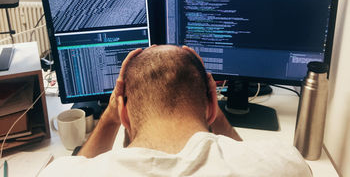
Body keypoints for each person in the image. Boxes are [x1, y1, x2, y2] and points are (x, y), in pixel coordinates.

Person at [40, 45, 312, 177]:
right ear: (212, 107)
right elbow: (247, 157)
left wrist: (110, 117)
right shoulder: (285, 164)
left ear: (123, 114)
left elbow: (78, 166)